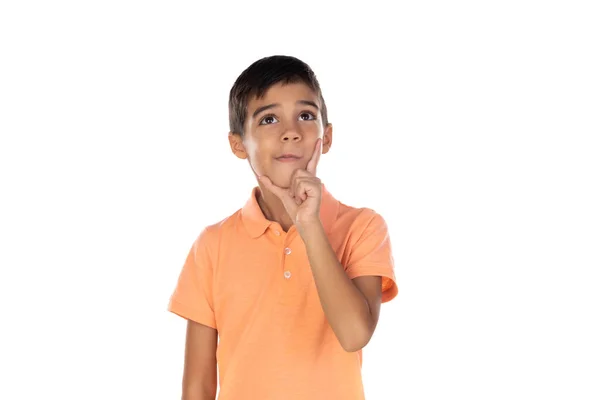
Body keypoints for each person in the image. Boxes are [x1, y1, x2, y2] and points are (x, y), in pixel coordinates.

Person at [167, 55, 398, 400]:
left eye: (306, 116)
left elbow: (354, 334)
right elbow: (197, 386)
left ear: (327, 136)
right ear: (237, 144)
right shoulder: (212, 245)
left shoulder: (362, 227)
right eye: (269, 119)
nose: (291, 132)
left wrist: (310, 227)